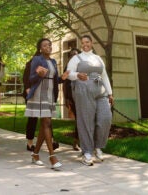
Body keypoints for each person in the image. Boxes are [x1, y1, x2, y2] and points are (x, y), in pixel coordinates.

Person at [66, 34, 113, 166]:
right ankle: (87, 152)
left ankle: (98, 146)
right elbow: (68, 73)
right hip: (83, 91)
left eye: (87, 42)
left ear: (91, 43)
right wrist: (77, 75)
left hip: (100, 90)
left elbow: (104, 76)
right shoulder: (76, 58)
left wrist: (110, 93)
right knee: (86, 120)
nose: (85, 44)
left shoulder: (97, 58)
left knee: (105, 118)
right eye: (82, 43)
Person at [25, 38, 62, 169]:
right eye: (45, 45)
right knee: (47, 122)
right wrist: (39, 74)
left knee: (44, 124)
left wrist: (63, 78)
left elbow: (54, 79)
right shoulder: (37, 59)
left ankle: (35, 154)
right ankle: (52, 157)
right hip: (39, 94)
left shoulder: (53, 61)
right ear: (40, 48)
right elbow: (31, 78)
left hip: (50, 95)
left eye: (49, 45)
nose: (48, 47)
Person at [61, 47, 81, 151]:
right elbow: (65, 85)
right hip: (72, 97)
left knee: (83, 119)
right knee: (79, 119)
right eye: (72, 54)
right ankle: (76, 142)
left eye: (76, 54)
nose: (74, 56)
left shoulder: (82, 66)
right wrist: (66, 98)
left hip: (83, 96)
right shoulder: (68, 68)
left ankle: (82, 141)